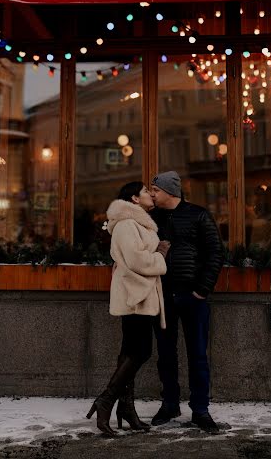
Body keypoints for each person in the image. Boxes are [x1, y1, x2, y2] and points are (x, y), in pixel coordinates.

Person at [86, 181, 170, 435]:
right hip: (135, 296)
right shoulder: (125, 224)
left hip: (141, 294)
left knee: (130, 351)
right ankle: (106, 400)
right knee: (141, 351)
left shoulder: (138, 223)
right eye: (146, 191)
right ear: (134, 199)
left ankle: (126, 407)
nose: (150, 195)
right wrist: (160, 255)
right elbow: (136, 260)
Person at [150, 171, 225, 434]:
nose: (152, 194)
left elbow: (215, 252)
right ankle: (170, 404)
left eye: (155, 190)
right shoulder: (151, 218)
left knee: (198, 355)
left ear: (169, 192)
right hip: (162, 296)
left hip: (192, 297)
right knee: (166, 355)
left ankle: (200, 410)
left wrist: (202, 290)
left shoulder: (198, 214)